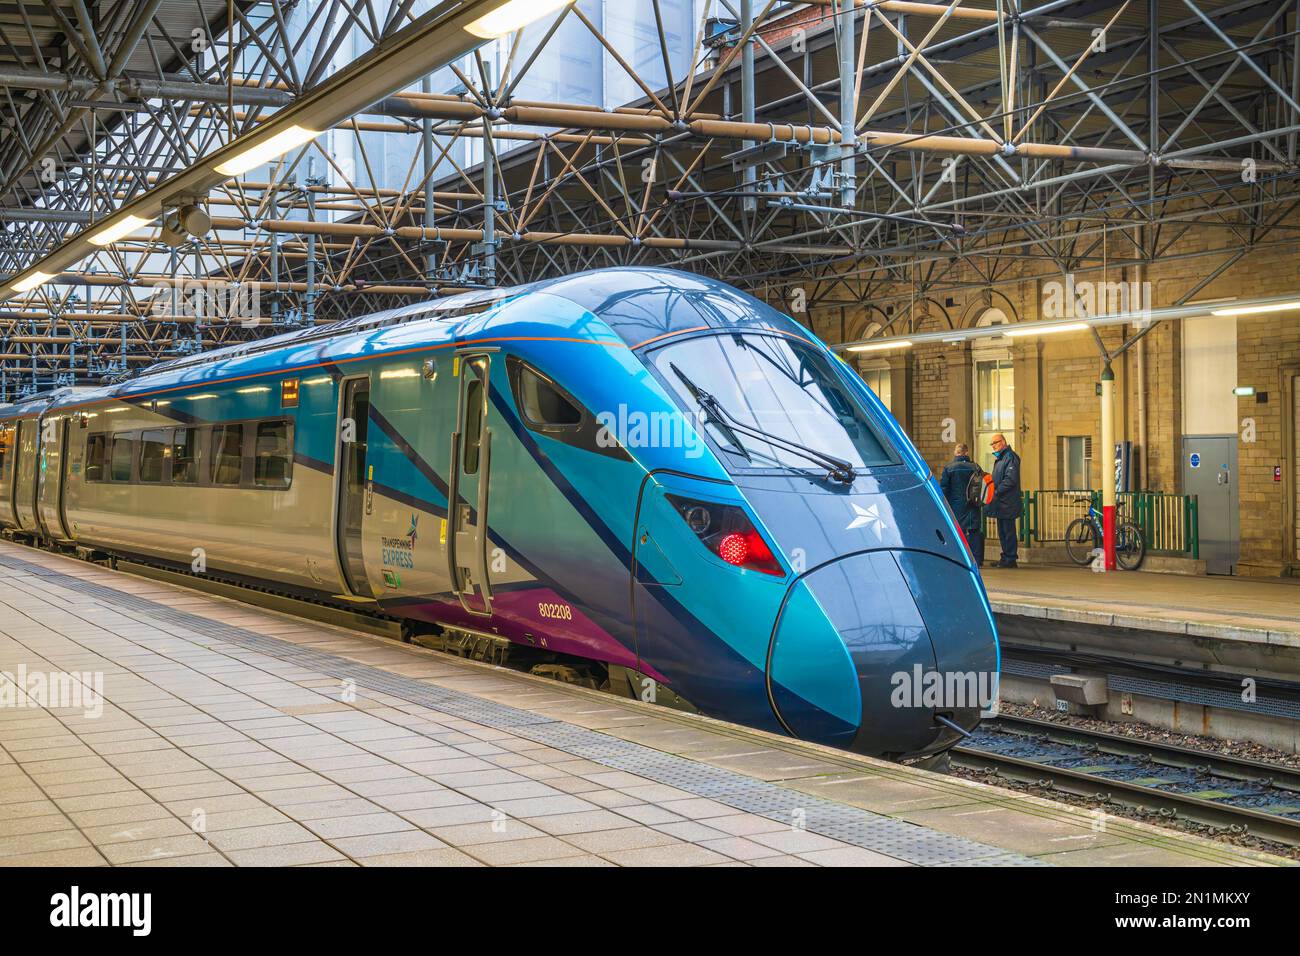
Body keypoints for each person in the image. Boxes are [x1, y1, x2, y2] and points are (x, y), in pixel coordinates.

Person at [939, 443, 984, 566]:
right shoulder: (976, 467)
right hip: (973, 504)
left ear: (956, 453)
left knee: (958, 531)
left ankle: (961, 559)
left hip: (956, 505)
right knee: (974, 531)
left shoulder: (949, 468)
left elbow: (944, 488)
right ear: (967, 453)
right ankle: (977, 560)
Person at [987, 433, 1022, 567]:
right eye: (992, 444)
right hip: (1001, 502)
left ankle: (1010, 558)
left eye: (995, 443)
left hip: (1007, 502)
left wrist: (997, 491)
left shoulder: (1010, 457)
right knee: (1002, 531)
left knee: (1008, 531)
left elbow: (1010, 479)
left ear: (1002, 442)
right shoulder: (1001, 459)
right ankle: (1005, 556)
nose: (993, 446)